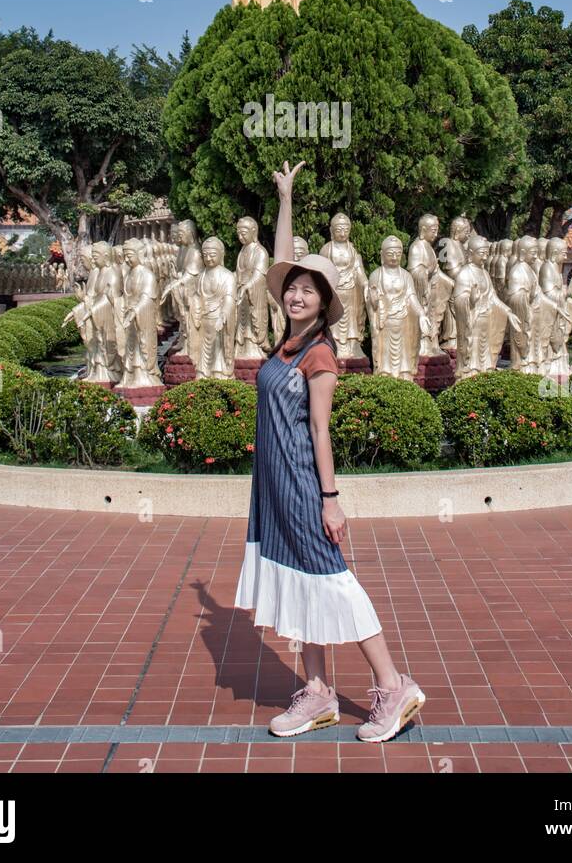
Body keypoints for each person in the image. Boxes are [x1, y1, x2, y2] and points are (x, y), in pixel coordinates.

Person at [234, 160, 425, 743]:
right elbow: (283, 255)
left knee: (333, 579)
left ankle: (394, 687)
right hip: (270, 486)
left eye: (307, 290)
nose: (296, 293)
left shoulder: (318, 356)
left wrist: (331, 499)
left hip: (301, 484)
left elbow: (321, 431)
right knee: (298, 582)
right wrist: (285, 197)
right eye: (292, 288)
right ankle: (317, 692)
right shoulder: (284, 343)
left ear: (323, 303)